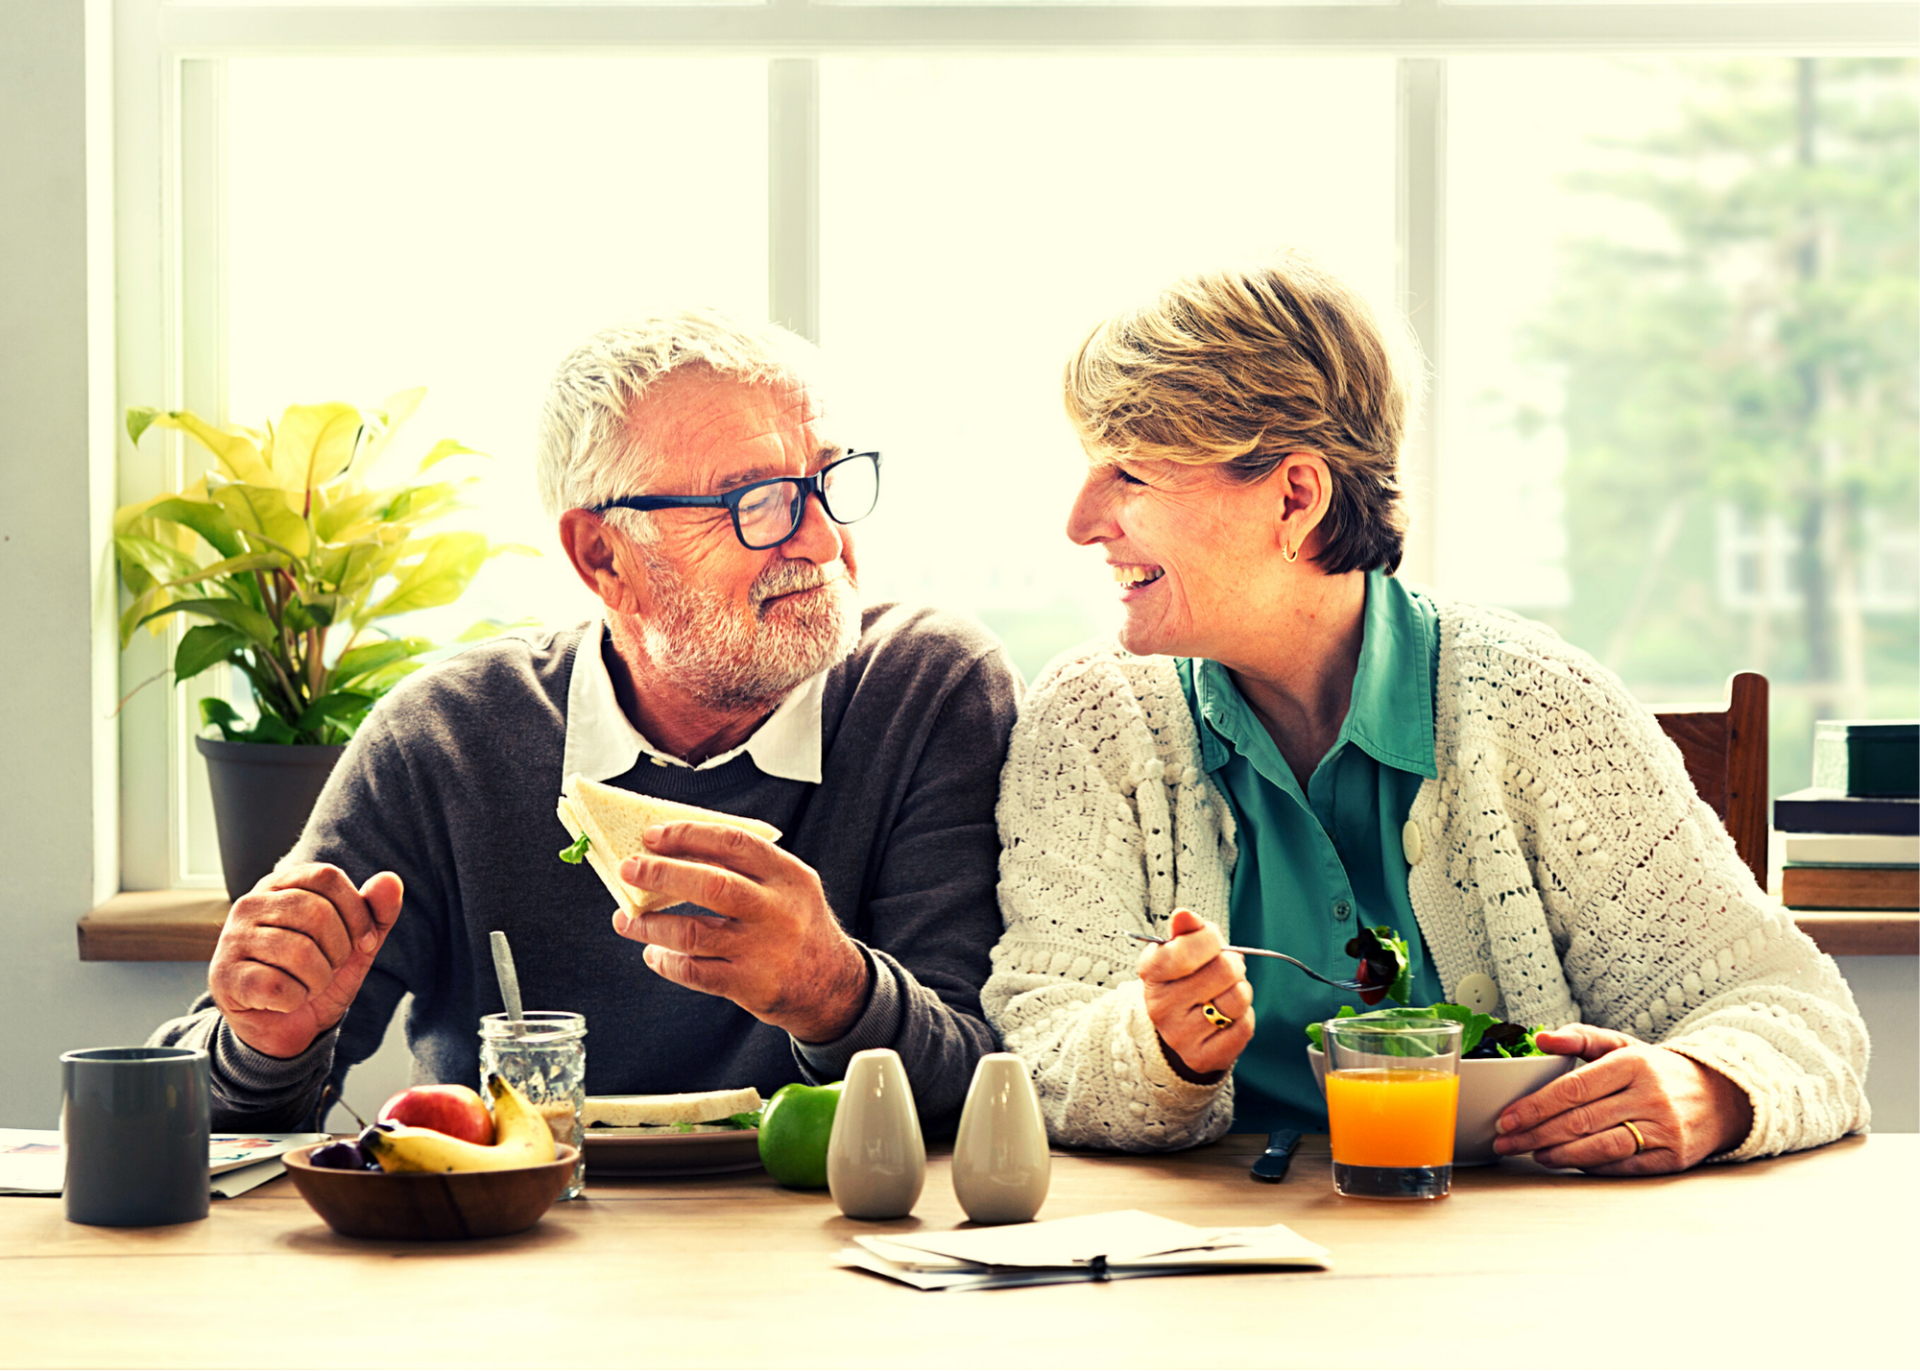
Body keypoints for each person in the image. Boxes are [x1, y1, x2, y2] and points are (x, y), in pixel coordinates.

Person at [983, 252, 1871, 1174]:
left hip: (1513, 1242)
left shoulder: (1541, 704)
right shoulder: (1092, 720)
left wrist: (1709, 1086)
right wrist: (1156, 1046)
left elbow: (1793, 1009)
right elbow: (1035, 1042)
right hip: (1202, 1248)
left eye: (1129, 474)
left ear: (1296, 495)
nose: (1081, 521)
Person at [153, 309, 1020, 1133]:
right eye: (756, 501)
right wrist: (264, 1044)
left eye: (826, 481)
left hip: (820, 1230)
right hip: (515, 1226)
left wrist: (831, 989)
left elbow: (989, 1094)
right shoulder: (443, 740)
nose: (824, 542)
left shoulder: (928, 689)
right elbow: (203, 1124)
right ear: (603, 555)